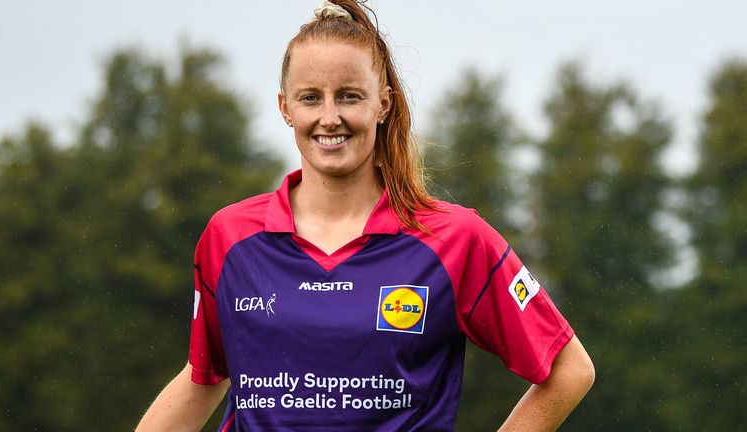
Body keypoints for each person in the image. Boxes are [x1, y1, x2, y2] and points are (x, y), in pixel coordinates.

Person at [136, 1, 594, 430]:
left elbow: (568, 370)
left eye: (350, 96)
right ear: (285, 108)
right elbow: (206, 377)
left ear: (384, 104)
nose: (330, 117)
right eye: (311, 98)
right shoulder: (229, 237)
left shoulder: (455, 239)